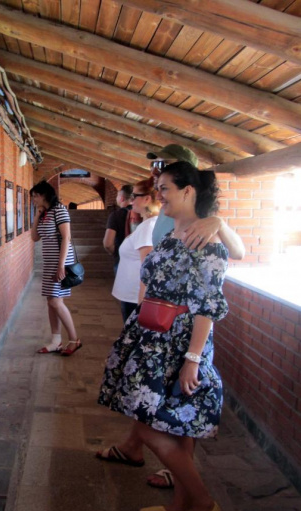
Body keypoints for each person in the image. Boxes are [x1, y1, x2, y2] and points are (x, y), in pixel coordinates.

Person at [96, 144, 245, 489]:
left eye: (162, 177)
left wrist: (192, 356)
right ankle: (166, 473)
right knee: (150, 406)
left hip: (177, 335)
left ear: (187, 183)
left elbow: (210, 295)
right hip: (152, 331)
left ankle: (183, 479)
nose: (156, 185)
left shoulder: (206, 228)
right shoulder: (168, 221)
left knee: (171, 410)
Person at [30, 181, 82, 356]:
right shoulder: (46, 213)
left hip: (60, 262)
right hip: (50, 263)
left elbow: (66, 237)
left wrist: (61, 265)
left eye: (35, 196)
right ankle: (56, 341)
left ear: (45, 195)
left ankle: (75, 339)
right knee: (51, 302)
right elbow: (35, 237)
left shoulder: (59, 210)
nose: (33, 199)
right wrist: (37, 216)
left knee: (55, 302)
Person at [112, 180, 160, 323]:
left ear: (147, 199)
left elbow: (147, 269)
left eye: (135, 196)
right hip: (131, 296)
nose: (131, 201)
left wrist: (141, 304)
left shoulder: (148, 227)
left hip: (135, 298)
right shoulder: (146, 225)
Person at [103, 185, 133, 273]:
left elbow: (107, 244)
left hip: (122, 259)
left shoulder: (116, 215)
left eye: (117, 196)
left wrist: (117, 253)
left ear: (122, 198)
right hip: (140, 257)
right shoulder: (143, 213)